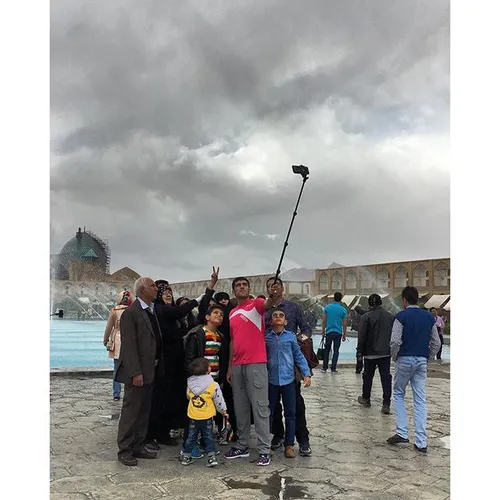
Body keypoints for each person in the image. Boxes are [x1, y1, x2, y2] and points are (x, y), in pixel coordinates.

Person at [145, 272, 213, 450]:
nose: (167, 293)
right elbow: (179, 310)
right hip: (162, 363)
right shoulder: (158, 311)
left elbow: (199, 316)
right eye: (163, 291)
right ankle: (150, 436)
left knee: (171, 399)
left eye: (169, 291)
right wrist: (200, 296)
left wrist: (209, 291)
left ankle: (164, 433)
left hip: (176, 364)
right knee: (157, 400)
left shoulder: (179, 318)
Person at [224, 277, 280, 466]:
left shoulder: (255, 305)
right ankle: (242, 444)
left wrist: (272, 295)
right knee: (240, 408)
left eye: (244, 285)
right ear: (233, 291)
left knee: (260, 407)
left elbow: (268, 303)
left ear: (249, 289)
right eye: (238, 285)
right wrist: (231, 365)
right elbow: (233, 340)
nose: (242, 287)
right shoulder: (232, 313)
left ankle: (264, 449)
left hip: (256, 363)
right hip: (238, 365)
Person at [387, 286, 441, 453]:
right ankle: (421, 441)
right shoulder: (429, 317)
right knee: (419, 399)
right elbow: (437, 343)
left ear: (404, 300)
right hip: (421, 361)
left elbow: (395, 341)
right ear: (417, 299)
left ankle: (402, 432)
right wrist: (428, 356)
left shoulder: (401, 316)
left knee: (398, 394)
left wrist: (395, 357)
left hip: (405, 359)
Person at [115, 277, 162, 466]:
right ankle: (125, 449)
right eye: (152, 286)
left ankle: (138, 445)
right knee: (131, 411)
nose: (156, 288)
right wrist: (135, 372)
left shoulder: (150, 311)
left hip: (151, 369)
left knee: (144, 410)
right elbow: (129, 346)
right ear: (142, 289)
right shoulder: (131, 313)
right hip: (138, 372)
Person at [263, 277, 313, 457]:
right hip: (271, 372)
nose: (274, 289)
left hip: (290, 369)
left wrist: (298, 341)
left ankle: (301, 439)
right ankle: (278, 435)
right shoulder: (264, 310)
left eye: (276, 285)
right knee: (272, 407)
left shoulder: (293, 308)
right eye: (270, 286)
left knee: (295, 405)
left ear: (282, 288)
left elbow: (306, 329)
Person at [181, 358, 228, 467]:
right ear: (208, 370)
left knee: (191, 437)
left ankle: (186, 456)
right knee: (208, 437)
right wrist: (223, 411)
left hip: (193, 415)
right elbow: (218, 400)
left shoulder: (190, 384)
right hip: (207, 416)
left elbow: (188, 396)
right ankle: (211, 457)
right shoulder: (213, 385)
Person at [356, 294, 394, 414]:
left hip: (370, 352)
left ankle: (366, 398)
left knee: (368, 376)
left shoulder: (366, 317)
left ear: (370, 304)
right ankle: (386, 403)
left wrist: (359, 352)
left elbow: (362, 336)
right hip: (385, 352)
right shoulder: (390, 316)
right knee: (385, 378)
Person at [103, 290, 133, 401]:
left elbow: (109, 327)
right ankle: (129, 393)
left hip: (117, 340)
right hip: (130, 341)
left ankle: (116, 393)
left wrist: (105, 340)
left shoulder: (115, 311)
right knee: (130, 368)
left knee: (117, 368)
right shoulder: (133, 310)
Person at [321, 292, 347, 372]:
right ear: (341, 299)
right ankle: (333, 368)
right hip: (338, 332)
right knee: (336, 350)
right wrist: (344, 334)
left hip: (329, 332)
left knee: (327, 350)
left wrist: (323, 331)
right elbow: (344, 323)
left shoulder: (327, 308)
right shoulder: (343, 310)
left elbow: (324, 321)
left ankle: (325, 367)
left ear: (333, 298)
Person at [352, 305, 367, 374]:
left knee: (360, 353)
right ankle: (364, 369)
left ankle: (359, 368)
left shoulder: (364, 315)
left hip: (362, 337)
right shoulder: (370, 314)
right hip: (368, 338)